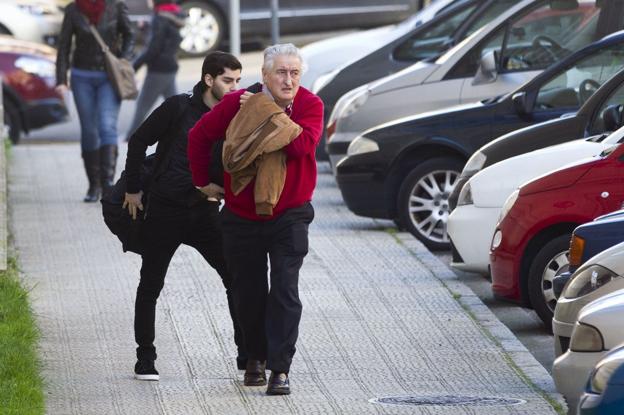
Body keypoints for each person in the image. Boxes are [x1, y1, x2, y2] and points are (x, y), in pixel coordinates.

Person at [187, 43, 324, 395]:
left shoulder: (310, 104)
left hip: (290, 214)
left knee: (284, 289)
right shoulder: (235, 104)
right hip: (241, 215)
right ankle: (254, 359)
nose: (288, 79)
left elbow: (300, 146)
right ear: (264, 75)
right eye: (281, 72)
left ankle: (280, 368)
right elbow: (198, 136)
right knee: (247, 292)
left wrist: (263, 109)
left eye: (294, 72)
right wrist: (202, 181)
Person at [123, 51, 244, 381]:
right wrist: (133, 189)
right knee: (151, 284)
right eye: (227, 80)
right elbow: (138, 141)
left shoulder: (236, 115)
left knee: (235, 277)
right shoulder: (178, 108)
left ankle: (246, 354)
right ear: (209, 80)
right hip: (166, 210)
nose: (234, 87)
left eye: (238, 81)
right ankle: (145, 358)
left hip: (205, 214)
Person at [56, 0, 135, 202]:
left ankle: (107, 183)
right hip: (82, 77)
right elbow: (64, 45)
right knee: (90, 130)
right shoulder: (73, 9)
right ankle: (94, 185)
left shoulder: (116, 6)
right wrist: (61, 79)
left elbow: (130, 34)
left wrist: (123, 59)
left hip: (110, 76)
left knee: (106, 126)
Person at [126, 0, 184, 141]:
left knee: (142, 106)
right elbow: (166, 37)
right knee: (175, 106)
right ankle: (184, 134)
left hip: (159, 70)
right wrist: (146, 28)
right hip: (170, 66)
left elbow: (152, 49)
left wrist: (132, 67)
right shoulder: (173, 14)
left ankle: (129, 138)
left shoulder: (158, 18)